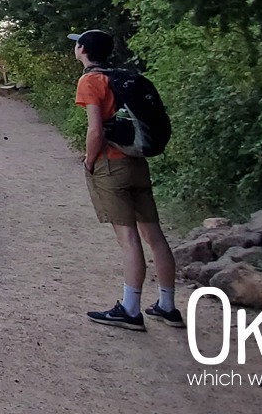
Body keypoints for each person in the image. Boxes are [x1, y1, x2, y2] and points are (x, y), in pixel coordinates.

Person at [70, 29, 183, 331]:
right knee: (153, 235)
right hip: (137, 160)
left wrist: (90, 161)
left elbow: (95, 130)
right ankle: (168, 305)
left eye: (76, 45)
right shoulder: (120, 76)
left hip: (112, 165)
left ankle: (131, 309)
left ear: (82, 49)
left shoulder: (90, 81)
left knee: (128, 238)